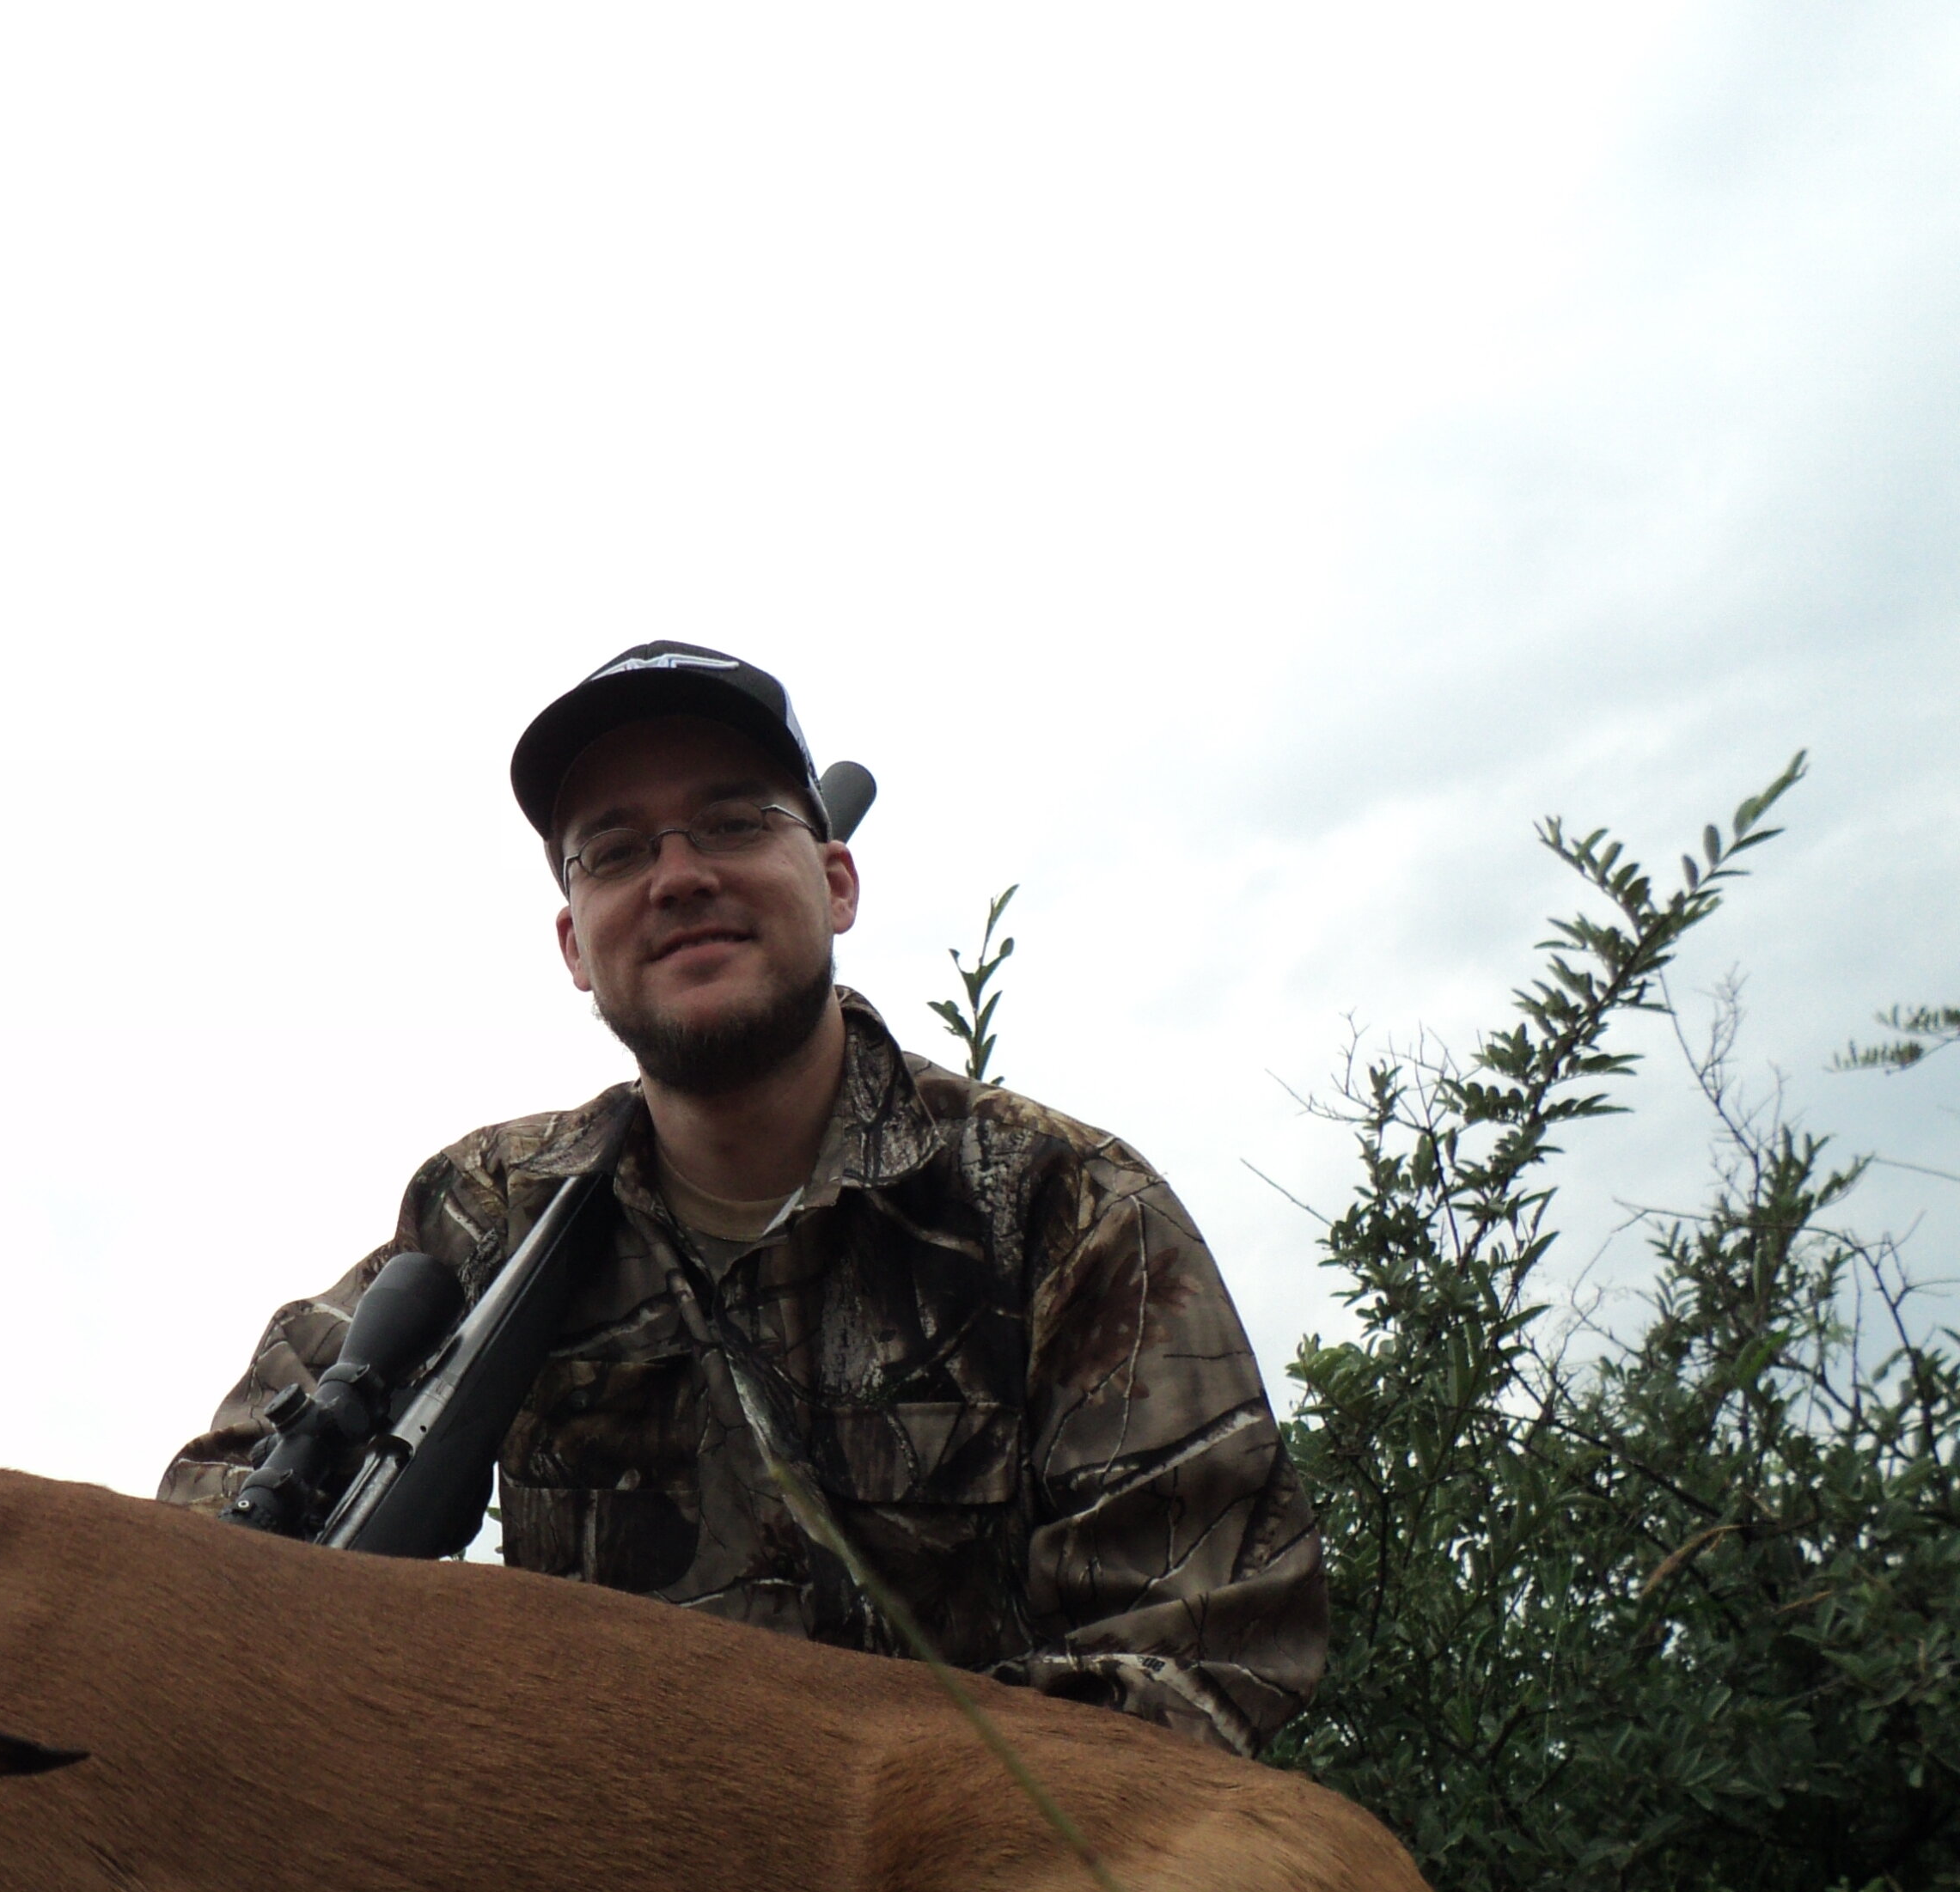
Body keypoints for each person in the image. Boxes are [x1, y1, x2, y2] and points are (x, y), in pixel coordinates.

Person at [160, 641, 1328, 1755]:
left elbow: (1200, 1654)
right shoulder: (482, 1212)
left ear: (836, 882)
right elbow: (208, 1527)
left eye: (731, 822)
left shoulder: (1069, 1211)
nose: (678, 877)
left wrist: (835, 1851)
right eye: (614, 852)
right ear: (576, 944)